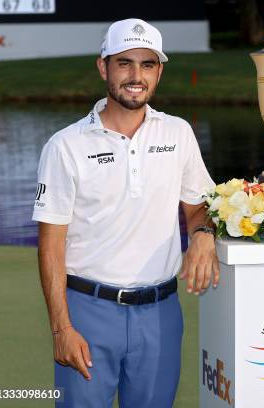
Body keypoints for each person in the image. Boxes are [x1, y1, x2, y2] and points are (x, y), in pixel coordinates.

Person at [32, 18, 219, 407]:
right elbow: (51, 245)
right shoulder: (65, 145)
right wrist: (61, 328)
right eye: (125, 63)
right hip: (87, 312)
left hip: (161, 315)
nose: (136, 76)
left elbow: (200, 207)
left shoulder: (178, 133)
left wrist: (202, 235)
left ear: (159, 72)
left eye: (147, 64)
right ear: (103, 66)